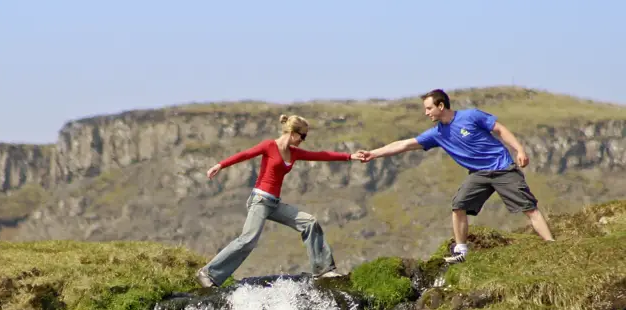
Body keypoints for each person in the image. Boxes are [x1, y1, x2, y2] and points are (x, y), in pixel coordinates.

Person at [357, 89, 554, 264]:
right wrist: (373, 153)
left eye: (429, 108)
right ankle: (461, 251)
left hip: (502, 168)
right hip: (479, 174)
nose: (426, 113)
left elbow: (500, 129)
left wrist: (520, 150)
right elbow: (404, 144)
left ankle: (552, 246)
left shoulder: (471, 116)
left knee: (529, 209)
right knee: (458, 205)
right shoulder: (437, 133)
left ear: (441, 106)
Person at [197, 114, 362, 288]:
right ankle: (208, 273)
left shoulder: (294, 153)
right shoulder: (269, 146)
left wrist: (350, 156)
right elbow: (245, 154)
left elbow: (321, 155)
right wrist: (220, 165)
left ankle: (323, 271)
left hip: (274, 204)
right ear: (293, 133)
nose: (303, 140)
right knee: (248, 240)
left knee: (309, 222)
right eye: (303, 136)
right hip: (260, 200)